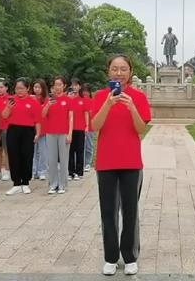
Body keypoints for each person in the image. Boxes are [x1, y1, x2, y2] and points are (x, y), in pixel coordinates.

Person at [91, 55, 151, 276]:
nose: (118, 73)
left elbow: (140, 129)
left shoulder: (138, 97)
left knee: (130, 211)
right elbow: (95, 125)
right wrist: (108, 103)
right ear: (108, 72)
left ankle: (130, 255)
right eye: (114, 69)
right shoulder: (99, 97)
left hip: (131, 163)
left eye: (123, 69)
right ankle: (110, 257)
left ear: (130, 72)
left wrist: (131, 106)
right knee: (108, 211)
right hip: (106, 163)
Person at [2, 78, 42, 196]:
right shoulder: (11, 100)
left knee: (27, 156)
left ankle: (25, 183)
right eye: (17, 88)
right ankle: (16, 183)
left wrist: (38, 133)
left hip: (28, 131)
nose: (19, 91)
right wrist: (8, 107)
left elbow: (38, 120)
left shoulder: (33, 102)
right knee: (14, 156)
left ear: (27, 88)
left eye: (22, 88)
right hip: (13, 130)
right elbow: (4, 115)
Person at [42, 76, 73, 194]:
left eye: (60, 84)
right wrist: (48, 105)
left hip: (64, 132)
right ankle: (53, 184)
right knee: (52, 159)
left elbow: (70, 118)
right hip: (50, 133)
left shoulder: (68, 100)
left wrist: (70, 133)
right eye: (56, 85)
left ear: (64, 86)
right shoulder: (49, 100)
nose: (57, 87)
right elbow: (43, 115)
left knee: (64, 159)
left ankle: (63, 184)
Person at [69, 78, 89, 180]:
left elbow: (86, 113)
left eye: (76, 85)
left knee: (80, 150)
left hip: (80, 128)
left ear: (80, 86)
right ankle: (71, 172)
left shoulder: (83, 100)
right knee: (70, 151)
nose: (74, 87)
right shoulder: (69, 99)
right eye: (73, 85)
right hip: (70, 129)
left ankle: (79, 172)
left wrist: (87, 126)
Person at [31, 79, 49, 181]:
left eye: (39, 87)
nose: (37, 89)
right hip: (32, 129)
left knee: (43, 152)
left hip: (43, 129)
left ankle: (42, 171)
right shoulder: (31, 99)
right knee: (33, 152)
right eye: (35, 87)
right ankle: (34, 171)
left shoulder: (46, 99)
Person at [0, 78, 11, 181]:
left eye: (1, 87)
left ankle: (7, 171)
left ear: (6, 88)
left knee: (7, 151)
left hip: (7, 128)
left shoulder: (10, 99)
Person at [81, 84, 96, 172]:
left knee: (89, 146)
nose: (85, 93)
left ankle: (88, 163)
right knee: (81, 146)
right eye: (83, 91)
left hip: (90, 127)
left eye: (87, 91)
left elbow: (93, 114)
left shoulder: (92, 101)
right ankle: (81, 163)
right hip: (80, 127)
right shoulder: (80, 100)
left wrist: (89, 112)